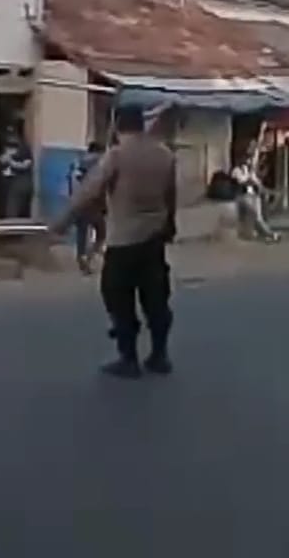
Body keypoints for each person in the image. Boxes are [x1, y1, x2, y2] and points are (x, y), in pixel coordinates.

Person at [50, 106, 177, 379]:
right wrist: (170, 226)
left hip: (124, 240)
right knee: (156, 298)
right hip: (154, 237)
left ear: (118, 127)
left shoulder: (117, 155)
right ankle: (160, 355)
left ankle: (128, 358)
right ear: (141, 125)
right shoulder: (165, 155)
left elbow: (88, 191)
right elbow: (171, 196)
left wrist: (62, 221)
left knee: (119, 299)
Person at [68, 141, 107, 275]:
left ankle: (82, 258)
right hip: (92, 204)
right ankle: (88, 257)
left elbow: (72, 183)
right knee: (101, 232)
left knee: (82, 233)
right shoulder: (97, 163)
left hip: (78, 202)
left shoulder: (78, 162)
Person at [231, 143, 279, 242]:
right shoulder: (236, 170)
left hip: (253, 195)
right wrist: (250, 178)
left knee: (258, 217)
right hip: (243, 196)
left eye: (248, 159)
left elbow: (257, 182)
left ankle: (263, 234)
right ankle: (268, 234)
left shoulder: (250, 170)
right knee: (253, 217)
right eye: (246, 159)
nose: (248, 161)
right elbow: (241, 181)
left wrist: (267, 190)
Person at [0, 125, 34, 219]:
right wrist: (3, 159)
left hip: (20, 184)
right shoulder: (6, 146)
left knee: (15, 211)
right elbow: (1, 160)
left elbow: (26, 165)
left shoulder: (24, 148)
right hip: (8, 184)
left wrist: (11, 162)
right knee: (8, 209)